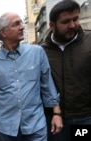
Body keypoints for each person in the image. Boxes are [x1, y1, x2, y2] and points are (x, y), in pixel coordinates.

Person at [0, 12, 62, 141]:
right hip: (6, 127)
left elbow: (47, 84)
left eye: (21, 23)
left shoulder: (37, 52)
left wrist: (57, 113)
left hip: (36, 124)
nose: (22, 27)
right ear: (3, 32)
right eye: (16, 24)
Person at [41, 0, 91, 140]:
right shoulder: (42, 52)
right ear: (52, 25)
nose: (72, 25)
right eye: (66, 22)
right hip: (56, 121)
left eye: (75, 19)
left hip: (85, 118)